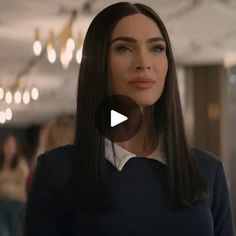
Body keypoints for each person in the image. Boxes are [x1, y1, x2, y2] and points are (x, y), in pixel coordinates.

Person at [24, 2, 235, 236]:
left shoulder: (207, 170)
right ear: (98, 63)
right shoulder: (59, 170)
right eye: (124, 48)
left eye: (156, 48)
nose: (143, 63)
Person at [0, 134, 29, 236]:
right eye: (7, 146)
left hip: (17, 203)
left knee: (16, 232)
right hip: (2, 202)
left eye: (12, 146)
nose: (9, 149)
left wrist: (8, 189)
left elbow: (25, 185)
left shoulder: (21, 164)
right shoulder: (1, 163)